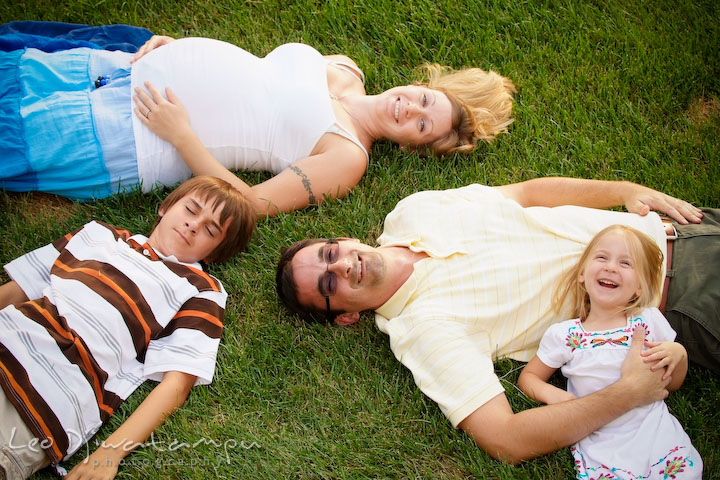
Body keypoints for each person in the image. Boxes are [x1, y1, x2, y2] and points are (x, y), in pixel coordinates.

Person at [275, 176, 718, 464]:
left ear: (345, 239)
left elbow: (526, 194)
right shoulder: (422, 331)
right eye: (329, 286)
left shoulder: (412, 210)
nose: (342, 267)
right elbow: (506, 438)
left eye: (330, 254)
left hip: (686, 225)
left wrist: (622, 192)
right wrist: (624, 395)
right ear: (347, 316)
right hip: (683, 301)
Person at [0, 25, 516, 218]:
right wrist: (175, 48)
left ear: (410, 146)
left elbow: (251, 204)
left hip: (131, 137)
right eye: (425, 99)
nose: (411, 109)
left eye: (422, 125)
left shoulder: (346, 156)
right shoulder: (345, 69)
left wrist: (183, 135)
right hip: (117, 72)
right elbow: (254, 78)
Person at [0, 176, 255, 479]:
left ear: (214, 253)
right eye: (190, 209)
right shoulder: (97, 234)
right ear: (166, 206)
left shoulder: (201, 290)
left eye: (211, 229)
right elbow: (19, 290)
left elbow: (177, 384)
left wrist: (110, 453)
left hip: (42, 400)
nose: (193, 225)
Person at [517, 225, 702, 478]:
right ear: (582, 274)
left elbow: (672, 383)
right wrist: (554, 396)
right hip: (599, 433)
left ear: (639, 287)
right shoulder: (566, 335)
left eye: (626, 263)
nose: (611, 267)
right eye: (602, 257)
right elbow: (529, 378)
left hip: (651, 429)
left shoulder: (648, 320)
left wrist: (678, 354)